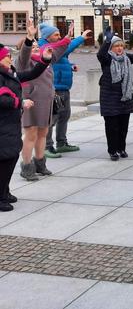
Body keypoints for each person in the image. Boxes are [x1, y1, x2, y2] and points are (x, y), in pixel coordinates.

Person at [17, 20, 72, 180]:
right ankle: (27, 167)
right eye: (32, 47)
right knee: (31, 134)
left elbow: (59, 50)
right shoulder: (23, 62)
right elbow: (25, 52)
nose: (35, 48)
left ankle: (40, 163)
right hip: (31, 103)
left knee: (43, 133)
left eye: (36, 46)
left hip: (46, 103)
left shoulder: (44, 60)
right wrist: (29, 37)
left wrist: (68, 38)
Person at [0, 41, 52, 209]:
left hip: (11, 123)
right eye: (6, 56)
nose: (9, 58)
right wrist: (19, 102)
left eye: (9, 55)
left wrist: (44, 60)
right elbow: (2, 99)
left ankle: (5, 191)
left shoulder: (10, 73)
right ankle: (0, 197)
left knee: (11, 157)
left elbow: (31, 74)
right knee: (4, 160)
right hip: (3, 124)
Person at [40, 25, 93, 156]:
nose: (59, 37)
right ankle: (47, 147)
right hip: (54, 88)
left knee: (64, 115)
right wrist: (80, 38)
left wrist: (70, 65)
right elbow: (64, 50)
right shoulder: (44, 47)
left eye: (59, 35)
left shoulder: (57, 46)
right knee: (52, 118)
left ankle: (62, 143)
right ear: (47, 36)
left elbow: (63, 57)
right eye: (56, 35)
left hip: (64, 87)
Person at [98, 28, 133, 160]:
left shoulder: (127, 58)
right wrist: (107, 40)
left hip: (124, 97)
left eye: (121, 46)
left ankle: (121, 148)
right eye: (116, 46)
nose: (119, 48)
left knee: (123, 126)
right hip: (109, 97)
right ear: (111, 48)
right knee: (112, 126)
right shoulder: (107, 59)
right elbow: (100, 54)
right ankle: (112, 150)